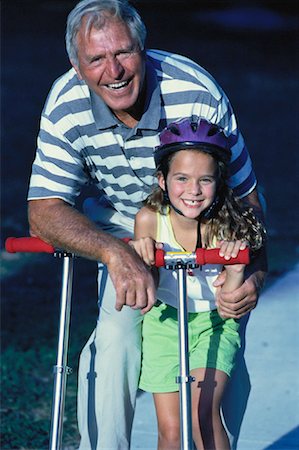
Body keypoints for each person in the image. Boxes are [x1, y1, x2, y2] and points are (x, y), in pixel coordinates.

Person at [27, 0, 267, 448]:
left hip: (211, 221)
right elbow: (44, 209)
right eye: (96, 59)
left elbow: (247, 197)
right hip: (123, 223)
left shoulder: (194, 92)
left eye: (123, 52)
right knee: (115, 337)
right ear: (78, 67)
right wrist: (115, 253)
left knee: (221, 340)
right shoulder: (66, 104)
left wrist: (253, 272)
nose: (113, 70)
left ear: (143, 47)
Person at [131, 117, 266, 450]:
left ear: (219, 182)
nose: (193, 191)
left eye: (205, 180)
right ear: (162, 180)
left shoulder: (229, 226)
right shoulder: (149, 220)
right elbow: (146, 293)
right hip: (164, 322)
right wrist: (142, 258)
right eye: (182, 178)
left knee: (202, 414)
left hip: (214, 324)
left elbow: (231, 304)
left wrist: (236, 268)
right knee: (172, 430)